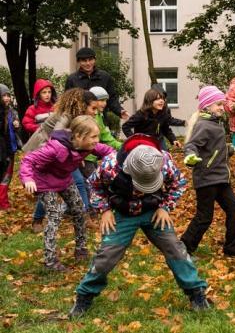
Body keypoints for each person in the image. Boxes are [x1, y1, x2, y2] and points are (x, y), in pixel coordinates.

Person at [69, 136, 209, 318]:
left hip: (153, 211)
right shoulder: (110, 166)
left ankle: (196, 293)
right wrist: (104, 210)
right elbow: (94, 186)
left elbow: (178, 183)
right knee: (107, 255)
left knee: (175, 249)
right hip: (122, 213)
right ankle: (84, 296)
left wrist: (165, 207)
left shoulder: (164, 161)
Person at [20, 115, 114, 271]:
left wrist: (117, 160)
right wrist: (28, 178)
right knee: (54, 215)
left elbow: (108, 151)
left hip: (64, 179)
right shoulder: (56, 148)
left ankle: (81, 249)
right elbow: (28, 160)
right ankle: (50, 261)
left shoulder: (88, 146)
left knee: (79, 210)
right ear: (78, 136)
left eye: (97, 136)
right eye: (93, 136)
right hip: (44, 183)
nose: (97, 140)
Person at [23, 88, 98, 230]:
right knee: (51, 186)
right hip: (42, 149)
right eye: (93, 108)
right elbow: (56, 136)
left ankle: (84, 216)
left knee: (75, 183)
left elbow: (73, 139)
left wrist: (77, 155)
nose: (95, 112)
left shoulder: (78, 118)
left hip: (58, 152)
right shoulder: (66, 116)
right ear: (82, 105)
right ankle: (37, 221)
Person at [180, 86, 235, 257]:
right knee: (204, 217)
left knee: (234, 211)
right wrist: (190, 157)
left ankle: (232, 249)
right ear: (207, 106)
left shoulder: (215, 123)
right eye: (218, 105)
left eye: (222, 104)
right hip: (207, 179)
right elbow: (191, 145)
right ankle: (183, 248)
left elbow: (213, 149)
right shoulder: (204, 125)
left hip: (221, 178)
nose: (222, 108)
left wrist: (229, 149)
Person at [22, 79, 57, 231]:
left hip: (55, 147)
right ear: (38, 94)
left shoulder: (56, 107)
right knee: (45, 184)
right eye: (44, 92)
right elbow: (26, 122)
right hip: (39, 148)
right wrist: (39, 128)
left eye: (49, 92)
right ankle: (37, 219)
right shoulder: (33, 109)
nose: (47, 95)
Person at [82, 87, 122, 207]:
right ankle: (90, 210)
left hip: (93, 155)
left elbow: (106, 137)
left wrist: (123, 146)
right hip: (85, 157)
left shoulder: (99, 116)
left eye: (106, 100)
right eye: (101, 100)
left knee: (87, 183)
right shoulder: (86, 116)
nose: (104, 104)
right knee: (89, 183)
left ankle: (77, 208)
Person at [65, 47, 129, 119]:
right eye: (84, 61)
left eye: (90, 60)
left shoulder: (105, 77)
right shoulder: (72, 79)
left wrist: (120, 111)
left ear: (95, 59)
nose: (88, 63)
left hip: (101, 119)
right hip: (80, 121)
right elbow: (68, 102)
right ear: (78, 62)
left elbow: (112, 98)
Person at [0, 85, 22, 210]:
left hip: (11, 148)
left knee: (8, 176)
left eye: (8, 95)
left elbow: (16, 131)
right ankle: (3, 203)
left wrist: (17, 125)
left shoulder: (12, 112)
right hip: (2, 150)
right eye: (4, 95)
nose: (7, 98)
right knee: (5, 176)